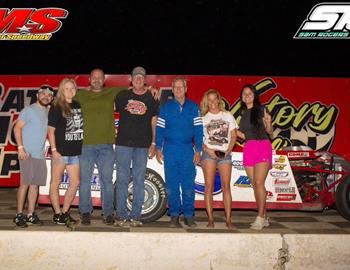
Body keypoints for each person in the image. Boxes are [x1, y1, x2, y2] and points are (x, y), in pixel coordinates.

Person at [155, 77, 203, 227]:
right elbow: (159, 129)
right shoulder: (166, 107)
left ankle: (189, 215)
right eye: (175, 87)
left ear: (186, 88)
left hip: (187, 150)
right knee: (171, 185)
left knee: (188, 185)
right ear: (172, 89)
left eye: (180, 87)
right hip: (170, 150)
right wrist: (158, 147)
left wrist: (198, 150)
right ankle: (174, 215)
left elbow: (199, 130)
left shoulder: (194, 107)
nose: (178, 90)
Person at [114, 66, 158, 227]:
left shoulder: (151, 97)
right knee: (122, 179)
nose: (139, 79)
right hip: (123, 144)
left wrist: (153, 142)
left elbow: (154, 121)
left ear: (145, 80)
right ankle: (120, 215)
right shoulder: (122, 95)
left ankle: (136, 216)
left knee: (139, 180)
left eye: (141, 77)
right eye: (136, 76)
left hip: (142, 145)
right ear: (131, 79)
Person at [13, 85, 54, 227]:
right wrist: (20, 148)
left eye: (49, 95)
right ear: (38, 95)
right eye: (43, 94)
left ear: (52, 98)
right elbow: (17, 128)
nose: (46, 97)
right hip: (27, 153)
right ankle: (19, 215)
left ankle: (30, 214)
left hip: (39, 155)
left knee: (35, 186)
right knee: (24, 184)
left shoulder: (47, 112)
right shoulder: (29, 110)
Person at [200, 89, 238, 229]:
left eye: (214, 99)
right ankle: (210, 219)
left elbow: (233, 135)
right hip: (208, 154)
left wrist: (229, 149)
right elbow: (198, 139)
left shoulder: (227, 115)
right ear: (206, 102)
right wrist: (208, 150)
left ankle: (228, 220)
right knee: (208, 186)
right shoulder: (203, 118)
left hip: (225, 154)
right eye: (209, 100)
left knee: (226, 187)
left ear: (218, 100)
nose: (212, 102)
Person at [237, 84, 273, 230]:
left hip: (262, 146)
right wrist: (231, 129)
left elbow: (270, 133)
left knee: (258, 182)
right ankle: (264, 215)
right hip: (249, 148)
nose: (247, 95)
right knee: (255, 184)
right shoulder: (244, 115)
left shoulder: (262, 109)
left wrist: (269, 124)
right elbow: (245, 136)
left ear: (254, 95)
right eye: (244, 94)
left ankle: (260, 217)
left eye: (249, 93)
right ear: (241, 97)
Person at [48, 78, 83, 225]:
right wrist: (54, 150)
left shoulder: (77, 105)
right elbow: (50, 131)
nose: (70, 91)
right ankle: (57, 213)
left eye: (72, 88)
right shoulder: (57, 106)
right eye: (67, 88)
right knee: (55, 182)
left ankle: (65, 212)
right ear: (62, 90)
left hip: (75, 152)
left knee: (75, 182)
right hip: (60, 152)